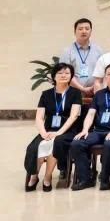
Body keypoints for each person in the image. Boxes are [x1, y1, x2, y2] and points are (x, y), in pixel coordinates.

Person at [71, 63, 110, 191]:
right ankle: (85, 179)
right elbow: (91, 114)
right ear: (105, 76)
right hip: (98, 131)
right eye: (109, 74)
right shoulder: (99, 94)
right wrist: (85, 130)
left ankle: (105, 180)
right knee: (77, 143)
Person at [25, 63, 82, 192]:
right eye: (60, 73)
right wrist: (43, 133)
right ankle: (34, 175)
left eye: (67, 73)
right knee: (36, 146)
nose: (63, 75)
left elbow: (73, 116)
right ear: (54, 76)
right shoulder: (46, 94)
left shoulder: (75, 93)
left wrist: (59, 132)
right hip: (48, 129)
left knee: (56, 143)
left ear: (71, 76)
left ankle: (47, 176)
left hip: (67, 130)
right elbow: (39, 117)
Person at [61, 18, 102, 99]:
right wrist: (82, 89)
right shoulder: (67, 51)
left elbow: (102, 72)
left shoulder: (98, 50)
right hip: (73, 93)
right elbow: (65, 73)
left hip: (94, 92)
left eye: (87, 29)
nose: (84, 31)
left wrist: (94, 87)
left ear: (91, 31)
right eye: (80, 29)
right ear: (75, 32)